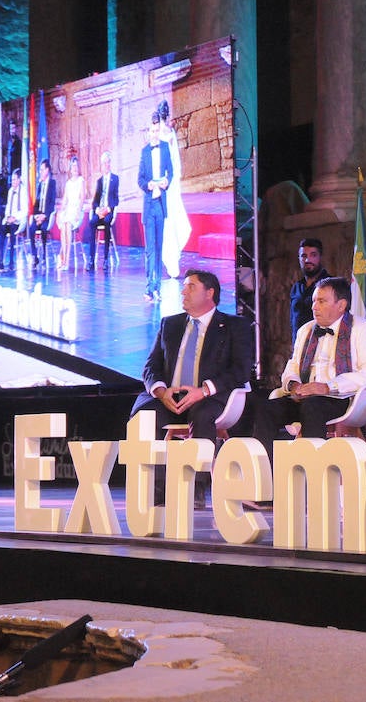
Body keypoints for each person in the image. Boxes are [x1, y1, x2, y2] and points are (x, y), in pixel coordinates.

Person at [130, 269, 254, 507]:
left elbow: (241, 370)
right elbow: (150, 367)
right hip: (170, 397)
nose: (183, 291)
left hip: (210, 397)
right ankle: (156, 490)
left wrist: (204, 390)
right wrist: (160, 391)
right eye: (183, 286)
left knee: (202, 412)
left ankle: (197, 487)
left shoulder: (234, 326)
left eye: (191, 287)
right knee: (145, 415)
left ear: (210, 293)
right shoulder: (170, 324)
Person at [253, 276, 366, 442]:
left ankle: (313, 466)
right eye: (314, 300)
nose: (314, 307)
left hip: (344, 398)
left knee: (312, 407)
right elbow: (293, 365)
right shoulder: (306, 330)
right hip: (305, 396)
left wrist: (327, 387)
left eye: (322, 301)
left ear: (341, 305)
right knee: (265, 408)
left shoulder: (364, 329)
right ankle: (268, 466)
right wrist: (294, 384)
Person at [138, 112, 173, 301]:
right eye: (152, 130)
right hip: (149, 205)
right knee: (150, 248)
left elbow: (171, 173)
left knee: (159, 247)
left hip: (160, 205)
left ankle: (157, 287)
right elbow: (140, 179)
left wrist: (167, 181)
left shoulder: (166, 148)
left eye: (157, 130)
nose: (154, 133)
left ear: (160, 130)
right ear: (148, 131)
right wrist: (148, 185)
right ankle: (149, 287)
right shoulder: (144, 151)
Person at [157, 99, 191, 279]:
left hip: (169, 185)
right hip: (164, 184)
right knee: (168, 222)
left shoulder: (169, 134)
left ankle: (172, 261)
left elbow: (174, 161)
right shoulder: (165, 133)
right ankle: (171, 261)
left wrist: (171, 179)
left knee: (172, 221)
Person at [290, 238, 330, 344]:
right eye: (304, 256)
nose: (308, 260)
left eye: (313, 255)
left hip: (322, 349)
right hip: (298, 349)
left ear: (320, 257)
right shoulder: (296, 287)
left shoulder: (330, 285)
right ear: (299, 258)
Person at [87, 151, 120, 272]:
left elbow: (116, 199)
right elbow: (95, 201)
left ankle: (105, 259)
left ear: (110, 163)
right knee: (91, 223)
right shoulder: (99, 181)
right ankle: (91, 259)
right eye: (103, 163)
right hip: (99, 210)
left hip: (108, 211)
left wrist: (108, 209)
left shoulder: (115, 179)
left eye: (107, 163)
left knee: (106, 222)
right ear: (101, 165)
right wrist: (97, 210)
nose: (106, 165)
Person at [56, 155, 84, 270]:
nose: (75, 168)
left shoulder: (81, 180)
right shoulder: (68, 183)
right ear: (70, 169)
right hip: (68, 211)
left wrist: (78, 211)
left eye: (76, 166)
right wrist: (60, 212)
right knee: (63, 226)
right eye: (73, 167)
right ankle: (62, 258)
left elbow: (82, 198)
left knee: (67, 225)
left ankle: (66, 261)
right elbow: (65, 200)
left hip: (76, 210)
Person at [27, 159, 56, 269]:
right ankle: (35, 256)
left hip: (47, 216)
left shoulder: (52, 183)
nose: (40, 172)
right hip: (38, 215)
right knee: (31, 229)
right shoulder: (39, 185)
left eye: (42, 169)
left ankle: (43, 254)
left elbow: (52, 203)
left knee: (44, 229)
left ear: (47, 170)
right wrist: (35, 216)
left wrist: (44, 216)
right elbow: (36, 203)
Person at [0, 169, 26, 272]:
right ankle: (1, 262)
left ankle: (12, 262)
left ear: (19, 180)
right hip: (10, 219)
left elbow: (24, 210)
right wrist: (8, 217)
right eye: (12, 180)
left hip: (18, 221)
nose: (12, 182)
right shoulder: (10, 191)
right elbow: (8, 207)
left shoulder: (23, 191)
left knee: (13, 230)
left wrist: (15, 218)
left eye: (14, 180)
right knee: (2, 230)